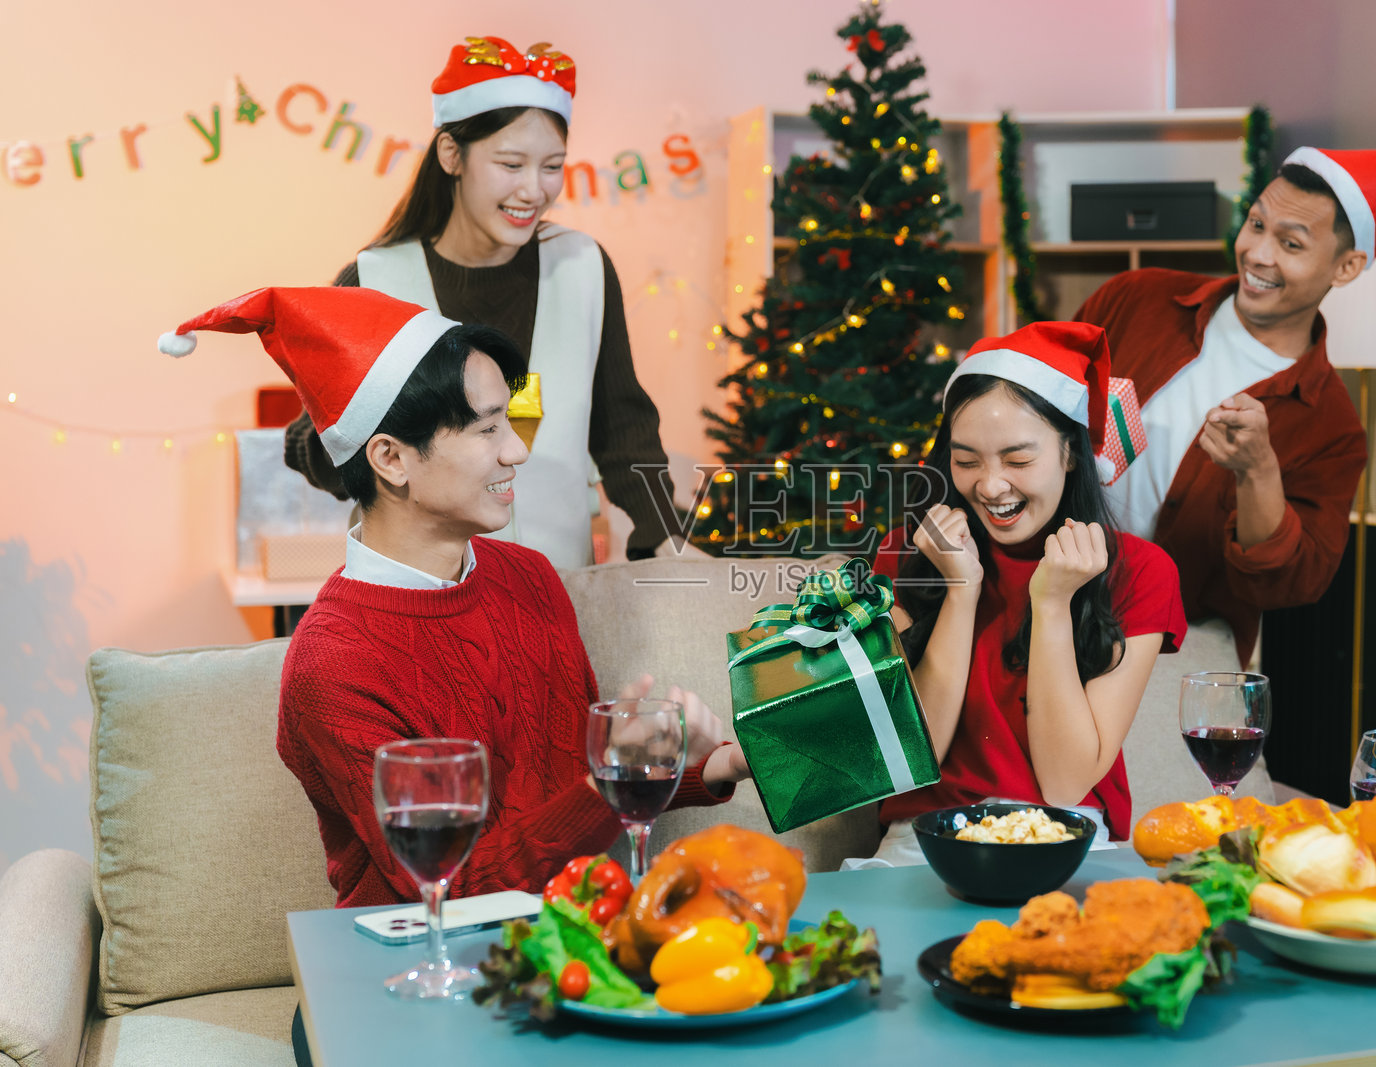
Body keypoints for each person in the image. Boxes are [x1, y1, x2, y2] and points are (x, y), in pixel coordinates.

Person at [156, 286, 748, 909]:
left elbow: (569, 787)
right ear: (391, 458)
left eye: (510, 422)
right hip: (412, 969)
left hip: (563, 940)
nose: (517, 450)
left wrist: (706, 766)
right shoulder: (335, 664)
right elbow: (454, 887)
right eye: (488, 428)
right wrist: (608, 781)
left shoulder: (528, 576)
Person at [1073, 148, 1376, 666]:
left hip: (1175, 649)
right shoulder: (1136, 299)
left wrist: (1257, 472)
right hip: (1050, 606)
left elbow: (1289, 583)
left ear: (1345, 267)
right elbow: (1040, 400)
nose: (1257, 253)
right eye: (1256, 224)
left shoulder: (1330, 428)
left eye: (1290, 243)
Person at [282, 35, 697, 568]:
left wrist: (667, 540)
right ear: (452, 156)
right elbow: (318, 453)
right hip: (418, 600)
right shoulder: (375, 280)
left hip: (553, 593)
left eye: (552, 166)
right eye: (511, 164)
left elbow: (624, 430)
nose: (534, 190)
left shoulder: (584, 268)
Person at [864, 322, 1186, 864]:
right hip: (925, 838)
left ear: (1070, 454)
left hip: (1066, 833)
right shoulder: (909, 554)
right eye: (966, 462)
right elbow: (909, 761)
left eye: (1017, 461)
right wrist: (960, 591)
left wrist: (1054, 603)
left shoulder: (1140, 571)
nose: (990, 486)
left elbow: (1064, 784)